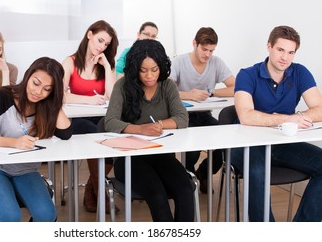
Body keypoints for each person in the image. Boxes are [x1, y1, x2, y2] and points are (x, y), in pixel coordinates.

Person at [232, 25, 322, 222]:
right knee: (257, 171)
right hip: (247, 145)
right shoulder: (247, 74)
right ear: (269, 47)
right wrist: (289, 119)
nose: (285, 58)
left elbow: (320, 109)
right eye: (280, 50)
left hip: (281, 143)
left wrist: (298, 116)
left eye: (291, 52)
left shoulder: (299, 72)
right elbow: (246, 116)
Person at [105, 39, 195, 221]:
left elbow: (182, 118)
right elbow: (110, 122)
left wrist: (159, 125)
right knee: (157, 195)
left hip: (162, 155)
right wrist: (140, 129)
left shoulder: (167, 86)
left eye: (154, 70)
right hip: (130, 159)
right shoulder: (122, 87)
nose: (149, 76)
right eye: (143, 70)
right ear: (134, 68)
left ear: (161, 66)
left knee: (185, 190)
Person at [0, 57, 72, 222]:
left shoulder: (45, 106)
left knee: (47, 215)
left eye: (47, 89)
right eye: (36, 83)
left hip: (25, 170)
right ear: (28, 76)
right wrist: (14, 143)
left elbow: (65, 133)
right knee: (10, 217)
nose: (38, 92)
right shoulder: (2, 96)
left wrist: (56, 100)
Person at [61, 20, 119, 213]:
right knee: (95, 134)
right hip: (77, 120)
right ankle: (100, 193)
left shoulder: (105, 64)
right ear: (89, 35)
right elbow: (59, 96)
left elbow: (112, 96)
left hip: (100, 117)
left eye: (106, 44)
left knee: (112, 133)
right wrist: (87, 100)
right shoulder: (70, 62)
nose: (101, 47)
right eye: (99, 40)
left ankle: (91, 188)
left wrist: (107, 65)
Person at [170, 27, 235, 193]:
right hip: (183, 116)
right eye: (204, 49)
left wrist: (213, 92)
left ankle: (203, 173)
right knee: (191, 151)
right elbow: (166, 91)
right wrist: (189, 95)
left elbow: (236, 88)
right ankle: (188, 181)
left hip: (205, 115)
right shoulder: (179, 62)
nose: (207, 55)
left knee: (225, 142)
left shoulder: (216, 62)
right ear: (194, 44)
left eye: (211, 51)